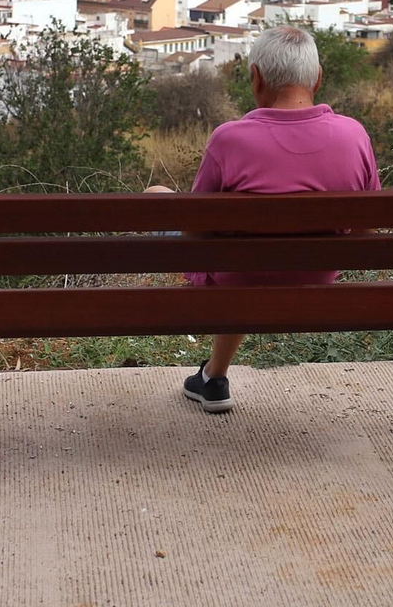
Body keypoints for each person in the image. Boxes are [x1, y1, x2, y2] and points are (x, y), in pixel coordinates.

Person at [149, 25, 380, 413]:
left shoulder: (229, 139)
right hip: (316, 278)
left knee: (157, 199)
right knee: (241, 250)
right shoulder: (354, 136)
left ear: (255, 77)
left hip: (239, 277)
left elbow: (194, 229)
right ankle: (212, 378)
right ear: (318, 78)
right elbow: (367, 228)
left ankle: (214, 376)